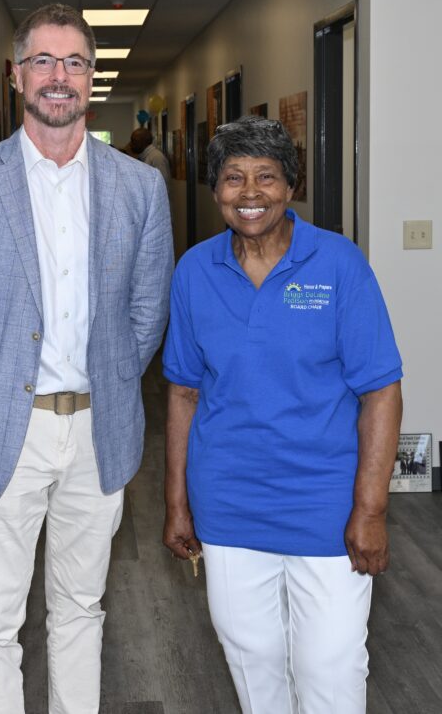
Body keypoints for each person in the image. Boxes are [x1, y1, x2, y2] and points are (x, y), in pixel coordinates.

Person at [0, 2, 172, 714]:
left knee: (80, 608)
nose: (59, 77)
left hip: (100, 428)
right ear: (17, 73)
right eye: (44, 62)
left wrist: (116, 377)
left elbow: (148, 311)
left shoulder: (140, 187)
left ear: (90, 77)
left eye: (75, 63)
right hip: (7, 429)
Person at [162, 115, 402, 714]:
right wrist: (176, 503)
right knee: (253, 663)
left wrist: (370, 510)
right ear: (215, 188)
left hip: (325, 502)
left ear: (290, 186)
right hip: (230, 503)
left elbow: (381, 390)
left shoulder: (338, 264)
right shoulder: (195, 271)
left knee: (330, 669)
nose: (249, 193)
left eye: (266, 177)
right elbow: (184, 392)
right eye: (234, 178)